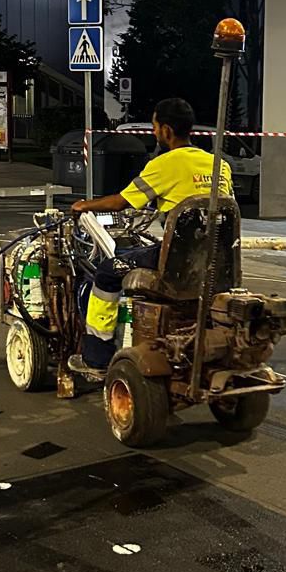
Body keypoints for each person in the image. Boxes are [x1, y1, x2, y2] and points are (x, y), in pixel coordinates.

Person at [69, 96, 233, 378]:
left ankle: (96, 357)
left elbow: (121, 202)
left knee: (107, 271)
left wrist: (84, 205)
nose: (155, 133)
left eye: (156, 127)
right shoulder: (220, 165)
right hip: (217, 259)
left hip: (176, 261)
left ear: (166, 130)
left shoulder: (165, 164)